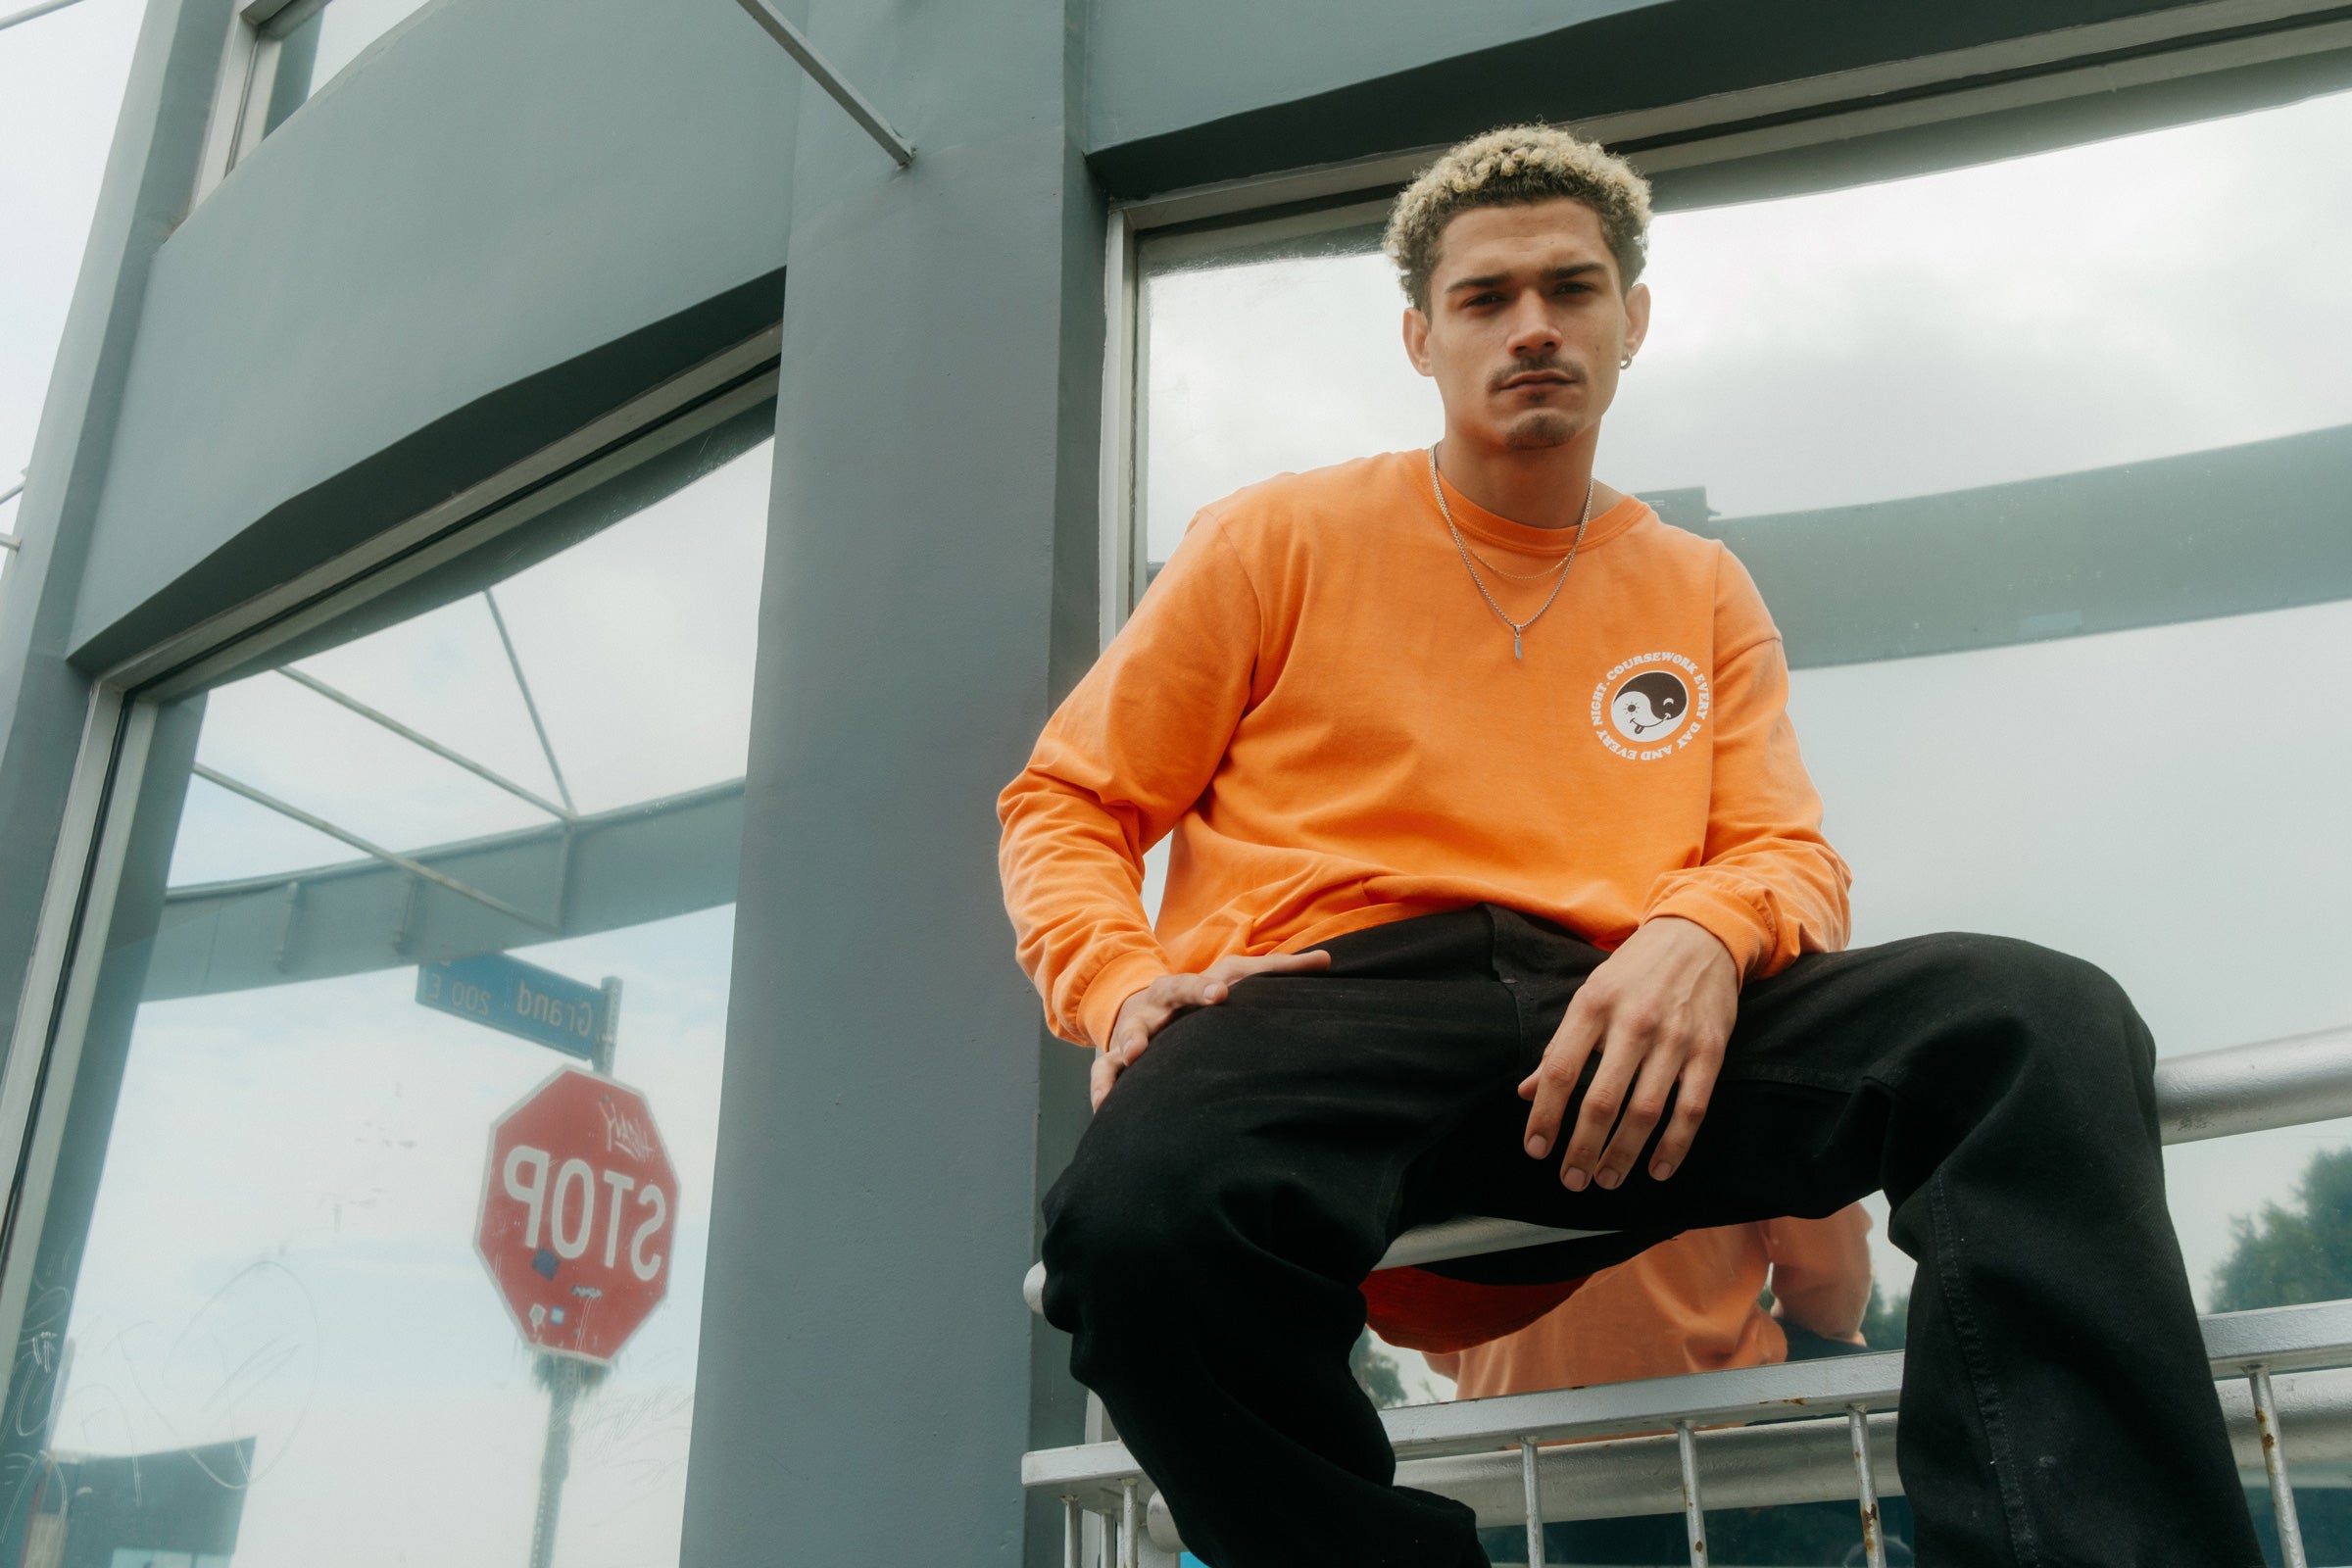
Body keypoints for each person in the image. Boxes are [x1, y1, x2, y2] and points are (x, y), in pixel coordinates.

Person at [998, 123, 2256, 1568]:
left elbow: (1789, 854)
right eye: (1485, 299)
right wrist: (1112, 977)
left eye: (1570, 289)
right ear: (1421, 337)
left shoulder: (1698, 585)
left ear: (1631, 319)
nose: (1532, 326)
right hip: (1325, 1013)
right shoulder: (1275, 539)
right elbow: (1068, 800)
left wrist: (1705, 933)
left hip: (1621, 1036)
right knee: (1128, 1228)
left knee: (2033, 1020)